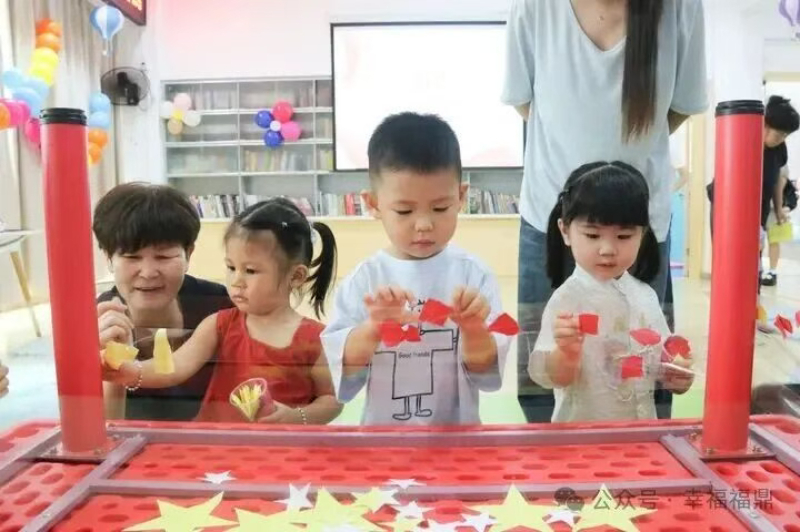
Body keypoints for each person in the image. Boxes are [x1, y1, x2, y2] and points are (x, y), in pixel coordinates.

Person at [503, 0, 708, 422]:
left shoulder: (680, 7)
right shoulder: (535, 6)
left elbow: (680, 104)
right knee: (544, 374)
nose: (605, 249)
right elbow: (526, 103)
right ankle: (554, 459)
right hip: (550, 211)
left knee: (645, 360)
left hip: (638, 215)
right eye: (596, 237)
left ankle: (642, 453)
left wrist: (620, 166)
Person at [321, 112, 511, 426]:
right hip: (385, 442)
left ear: (461, 197)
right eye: (404, 211)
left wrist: (474, 330)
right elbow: (344, 374)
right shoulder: (364, 280)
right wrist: (373, 328)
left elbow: (486, 375)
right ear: (373, 204)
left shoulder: (473, 275)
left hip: (456, 441)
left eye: (440, 208)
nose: (423, 224)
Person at [104, 198, 342, 424]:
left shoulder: (316, 339)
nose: (236, 281)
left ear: (297, 276)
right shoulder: (219, 324)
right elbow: (175, 366)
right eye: (231, 267)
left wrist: (297, 417)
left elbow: (332, 399)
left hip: (279, 447)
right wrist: (129, 371)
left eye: (250, 271)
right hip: (214, 444)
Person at [528, 162, 694, 422]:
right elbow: (550, 377)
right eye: (593, 236)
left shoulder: (645, 295)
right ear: (565, 231)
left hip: (639, 433)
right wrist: (566, 354)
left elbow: (659, 362)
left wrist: (676, 373)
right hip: (584, 436)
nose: (607, 249)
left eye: (624, 236)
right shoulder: (567, 300)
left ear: (642, 235)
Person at [93, 183, 233, 421]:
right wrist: (109, 364)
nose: (148, 272)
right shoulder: (97, 322)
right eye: (131, 257)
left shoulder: (218, 304)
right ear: (108, 257)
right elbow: (100, 430)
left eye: (164, 256)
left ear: (189, 253)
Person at [759, 96, 798, 287]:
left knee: (762, 250)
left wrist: (779, 206)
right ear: (764, 125)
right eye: (779, 134)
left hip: (763, 209)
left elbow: (779, 180)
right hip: (738, 213)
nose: (782, 139)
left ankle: (769, 273)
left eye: (785, 136)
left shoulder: (779, 149)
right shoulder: (748, 143)